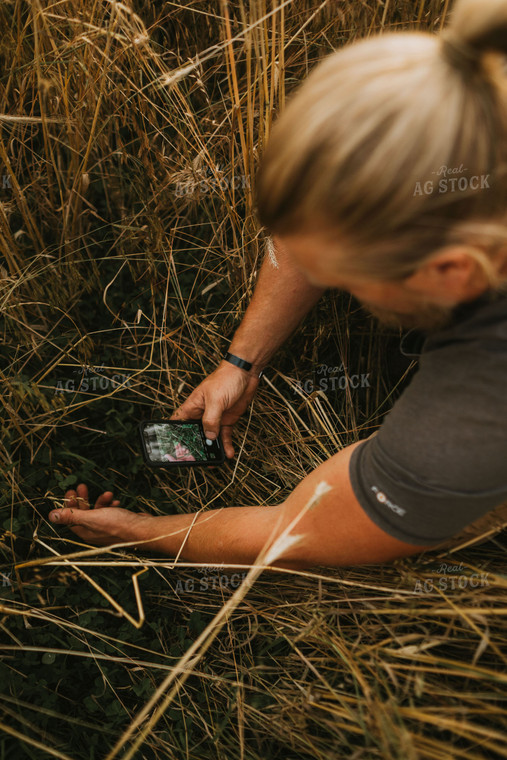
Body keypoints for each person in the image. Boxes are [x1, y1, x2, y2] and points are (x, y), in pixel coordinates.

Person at [49, 0, 507, 570]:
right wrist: (241, 364)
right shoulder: (473, 89)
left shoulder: (481, 403)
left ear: (451, 271)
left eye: (342, 280)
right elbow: (315, 218)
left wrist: (138, 531)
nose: (330, 284)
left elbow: (306, 529)